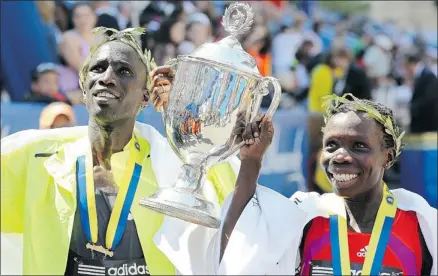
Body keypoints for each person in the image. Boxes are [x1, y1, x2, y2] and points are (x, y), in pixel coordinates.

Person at [0, 27, 249, 275]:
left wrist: (184, 119)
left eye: (124, 71)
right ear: (84, 89)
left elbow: (232, 201)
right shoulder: (36, 158)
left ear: (145, 96)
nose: (107, 78)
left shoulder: (169, 167)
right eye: (98, 68)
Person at [212, 94, 437, 275]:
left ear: (387, 158)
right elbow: (240, 251)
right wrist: (252, 160)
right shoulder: (306, 216)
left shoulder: (422, 226)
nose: (340, 156)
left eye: (359, 146)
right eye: (331, 145)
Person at [403, 52, 438, 134]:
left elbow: (430, 98)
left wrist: (413, 105)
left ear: (411, 65)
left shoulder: (429, 76)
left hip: (427, 121)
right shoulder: (421, 76)